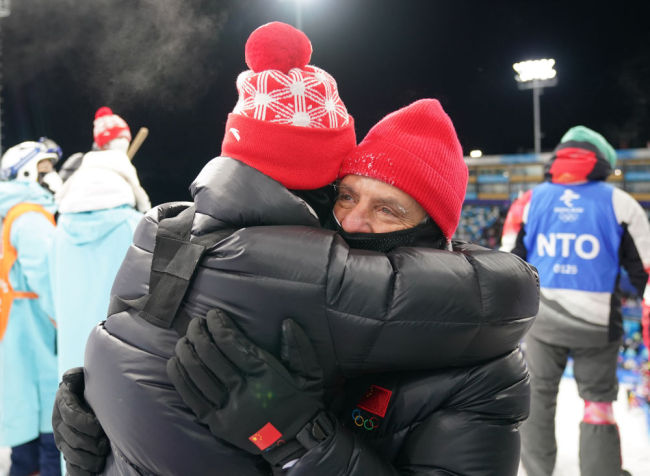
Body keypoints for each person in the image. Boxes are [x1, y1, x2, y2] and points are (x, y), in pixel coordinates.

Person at [52, 22, 539, 475]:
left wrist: (296, 438)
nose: (352, 221)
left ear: (435, 233)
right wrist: (107, 423)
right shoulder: (301, 294)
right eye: (346, 196)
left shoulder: (484, 371)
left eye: (388, 210)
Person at [500, 126, 650, 476]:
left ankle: (537, 470)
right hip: (597, 326)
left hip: (542, 319)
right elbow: (645, 270)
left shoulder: (530, 199)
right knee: (598, 404)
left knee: (536, 398)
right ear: (602, 162)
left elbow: (506, 264)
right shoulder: (621, 203)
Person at [50, 106, 150, 380]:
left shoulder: (60, 230)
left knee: (73, 415)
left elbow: (51, 297)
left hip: (71, 363)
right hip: (120, 362)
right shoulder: (134, 227)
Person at [0, 138, 62, 476]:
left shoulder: (10, 211)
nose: (52, 176)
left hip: (16, 329)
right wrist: (68, 324)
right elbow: (46, 280)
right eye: (45, 168)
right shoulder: (31, 218)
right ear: (25, 172)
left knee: (25, 438)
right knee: (49, 435)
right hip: (38, 331)